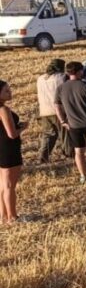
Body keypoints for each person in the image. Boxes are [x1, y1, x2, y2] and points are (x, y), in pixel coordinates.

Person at [0, 80, 23, 222]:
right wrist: (23, 127)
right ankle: (13, 217)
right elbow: (12, 134)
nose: (10, 93)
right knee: (9, 186)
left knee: (2, 185)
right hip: (8, 148)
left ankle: (3, 215)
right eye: (6, 91)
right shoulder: (4, 110)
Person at [36, 58, 66, 163]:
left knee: (48, 135)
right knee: (65, 134)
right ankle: (68, 154)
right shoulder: (62, 77)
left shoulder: (40, 78)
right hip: (59, 111)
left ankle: (43, 157)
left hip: (44, 110)